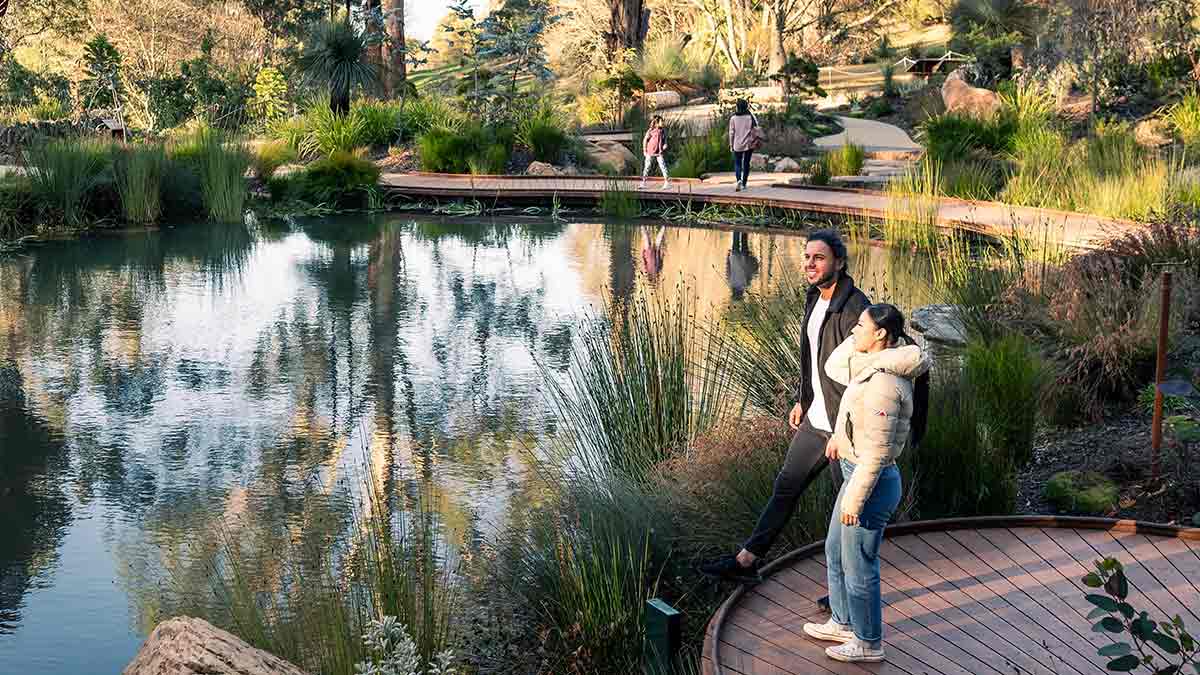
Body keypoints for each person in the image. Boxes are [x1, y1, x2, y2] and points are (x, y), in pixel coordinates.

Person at [700, 229, 870, 583]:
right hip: (817, 419)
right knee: (786, 487)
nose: (810, 264)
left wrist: (842, 431)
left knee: (851, 508)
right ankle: (746, 562)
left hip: (844, 429)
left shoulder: (855, 308)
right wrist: (803, 399)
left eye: (819, 258)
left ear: (839, 262)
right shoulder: (815, 297)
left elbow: (864, 376)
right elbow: (813, 357)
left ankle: (848, 590)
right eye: (807, 257)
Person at [803, 304, 930, 664]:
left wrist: (855, 501)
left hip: (869, 482)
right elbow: (832, 366)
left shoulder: (885, 384)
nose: (852, 331)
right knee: (835, 550)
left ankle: (868, 641)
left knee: (859, 564)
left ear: (880, 334)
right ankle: (843, 621)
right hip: (856, 472)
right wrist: (840, 439)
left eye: (860, 326)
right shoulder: (871, 364)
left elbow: (876, 453)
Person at [728, 99, 758, 192]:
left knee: (737, 163)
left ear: (737, 107)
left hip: (737, 144)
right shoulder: (750, 117)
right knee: (746, 163)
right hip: (749, 144)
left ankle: (738, 180)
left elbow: (731, 133)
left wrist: (731, 145)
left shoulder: (733, 118)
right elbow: (756, 128)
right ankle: (744, 184)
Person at [639, 115, 670, 190]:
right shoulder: (651, 130)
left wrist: (665, 145)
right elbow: (645, 140)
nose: (663, 123)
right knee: (647, 167)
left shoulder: (663, 131)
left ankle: (667, 182)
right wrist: (644, 150)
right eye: (661, 121)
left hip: (659, 152)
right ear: (656, 123)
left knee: (662, 166)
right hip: (650, 151)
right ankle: (643, 182)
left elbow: (665, 140)